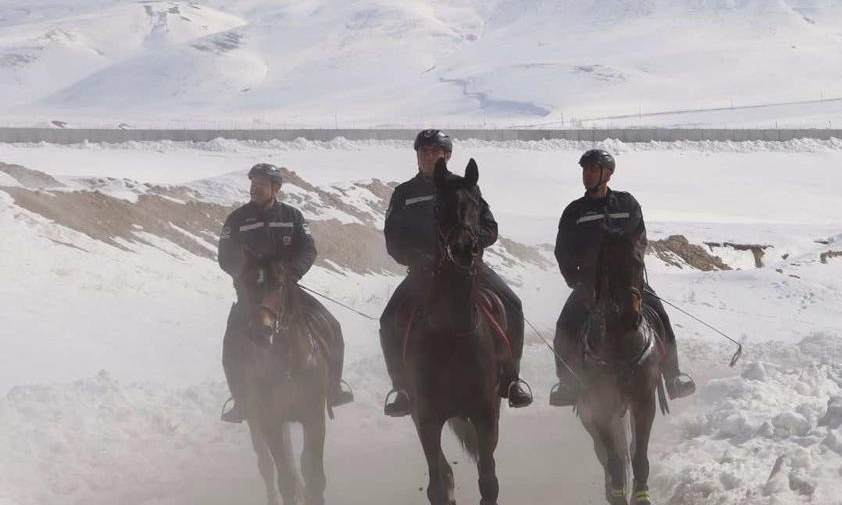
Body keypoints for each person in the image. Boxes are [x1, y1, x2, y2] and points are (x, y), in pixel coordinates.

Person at [378, 130, 533, 416]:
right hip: (424, 272)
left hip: (469, 267)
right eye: (423, 151)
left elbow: (490, 227)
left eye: (434, 150)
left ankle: (512, 379)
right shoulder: (404, 193)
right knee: (388, 319)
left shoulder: (466, 187)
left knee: (513, 304)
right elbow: (393, 238)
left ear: (446, 155)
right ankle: (401, 388)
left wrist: (471, 243)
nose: (428, 155)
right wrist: (417, 258)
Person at [548, 148, 695, 407]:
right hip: (590, 283)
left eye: (593, 169)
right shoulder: (575, 211)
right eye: (585, 169)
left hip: (628, 281)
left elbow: (640, 239)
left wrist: (632, 268)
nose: (587, 174)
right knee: (564, 326)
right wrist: (576, 281)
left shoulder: (627, 204)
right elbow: (563, 250)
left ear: (608, 174)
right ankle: (567, 384)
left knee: (661, 317)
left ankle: (674, 376)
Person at [218, 162, 354, 423]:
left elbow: (308, 249)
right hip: (251, 294)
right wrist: (248, 273)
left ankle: (334, 387)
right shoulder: (236, 220)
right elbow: (225, 256)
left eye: (261, 184)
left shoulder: (293, 216)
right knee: (230, 343)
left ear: (275, 187)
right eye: (252, 183)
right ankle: (240, 402)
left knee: (332, 325)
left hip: (286, 290)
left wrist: (291, 273)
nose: (254, 188)